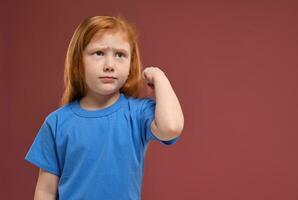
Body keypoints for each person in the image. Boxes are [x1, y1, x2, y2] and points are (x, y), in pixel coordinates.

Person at [24, 15, 184, 200]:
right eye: (99, 53)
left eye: (120, 55)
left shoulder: (137, 114)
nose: (109, 65)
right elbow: (45, 191)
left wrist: (160, 77)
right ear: (78, 62)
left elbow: (171, 127)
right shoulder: (57, 123)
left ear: (130, 65)